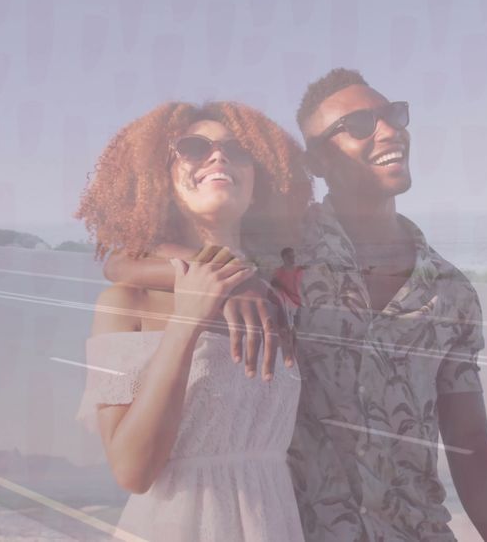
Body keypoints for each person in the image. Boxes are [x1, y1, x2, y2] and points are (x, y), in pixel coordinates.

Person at [103, 69, 487, 541]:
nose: (388, 130)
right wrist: (230, 278)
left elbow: (472, 443)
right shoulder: (281, 252)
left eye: (392, 115)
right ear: (317, 161)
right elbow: (124, 260)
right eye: (359, 125)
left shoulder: (452, 290)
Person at [73, 101, 312, 541]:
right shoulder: (127, 302)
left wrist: (238, 281)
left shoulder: (280, 298)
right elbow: (131, 471)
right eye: (193, 148)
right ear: (158, 180)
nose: (218, 157)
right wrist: (188, 320)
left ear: (259, 181)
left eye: (237, 150)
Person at [271, 247, 305, 328]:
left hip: (296, 303)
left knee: (296, 329)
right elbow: (274, 287)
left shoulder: (299, 271)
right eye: (289, 257)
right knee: (283, 328)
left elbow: (302, 286)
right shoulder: (279, 272)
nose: (292, 259)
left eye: (293, 256)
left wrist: (305, 300)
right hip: (284, 305)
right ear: (283, 258)